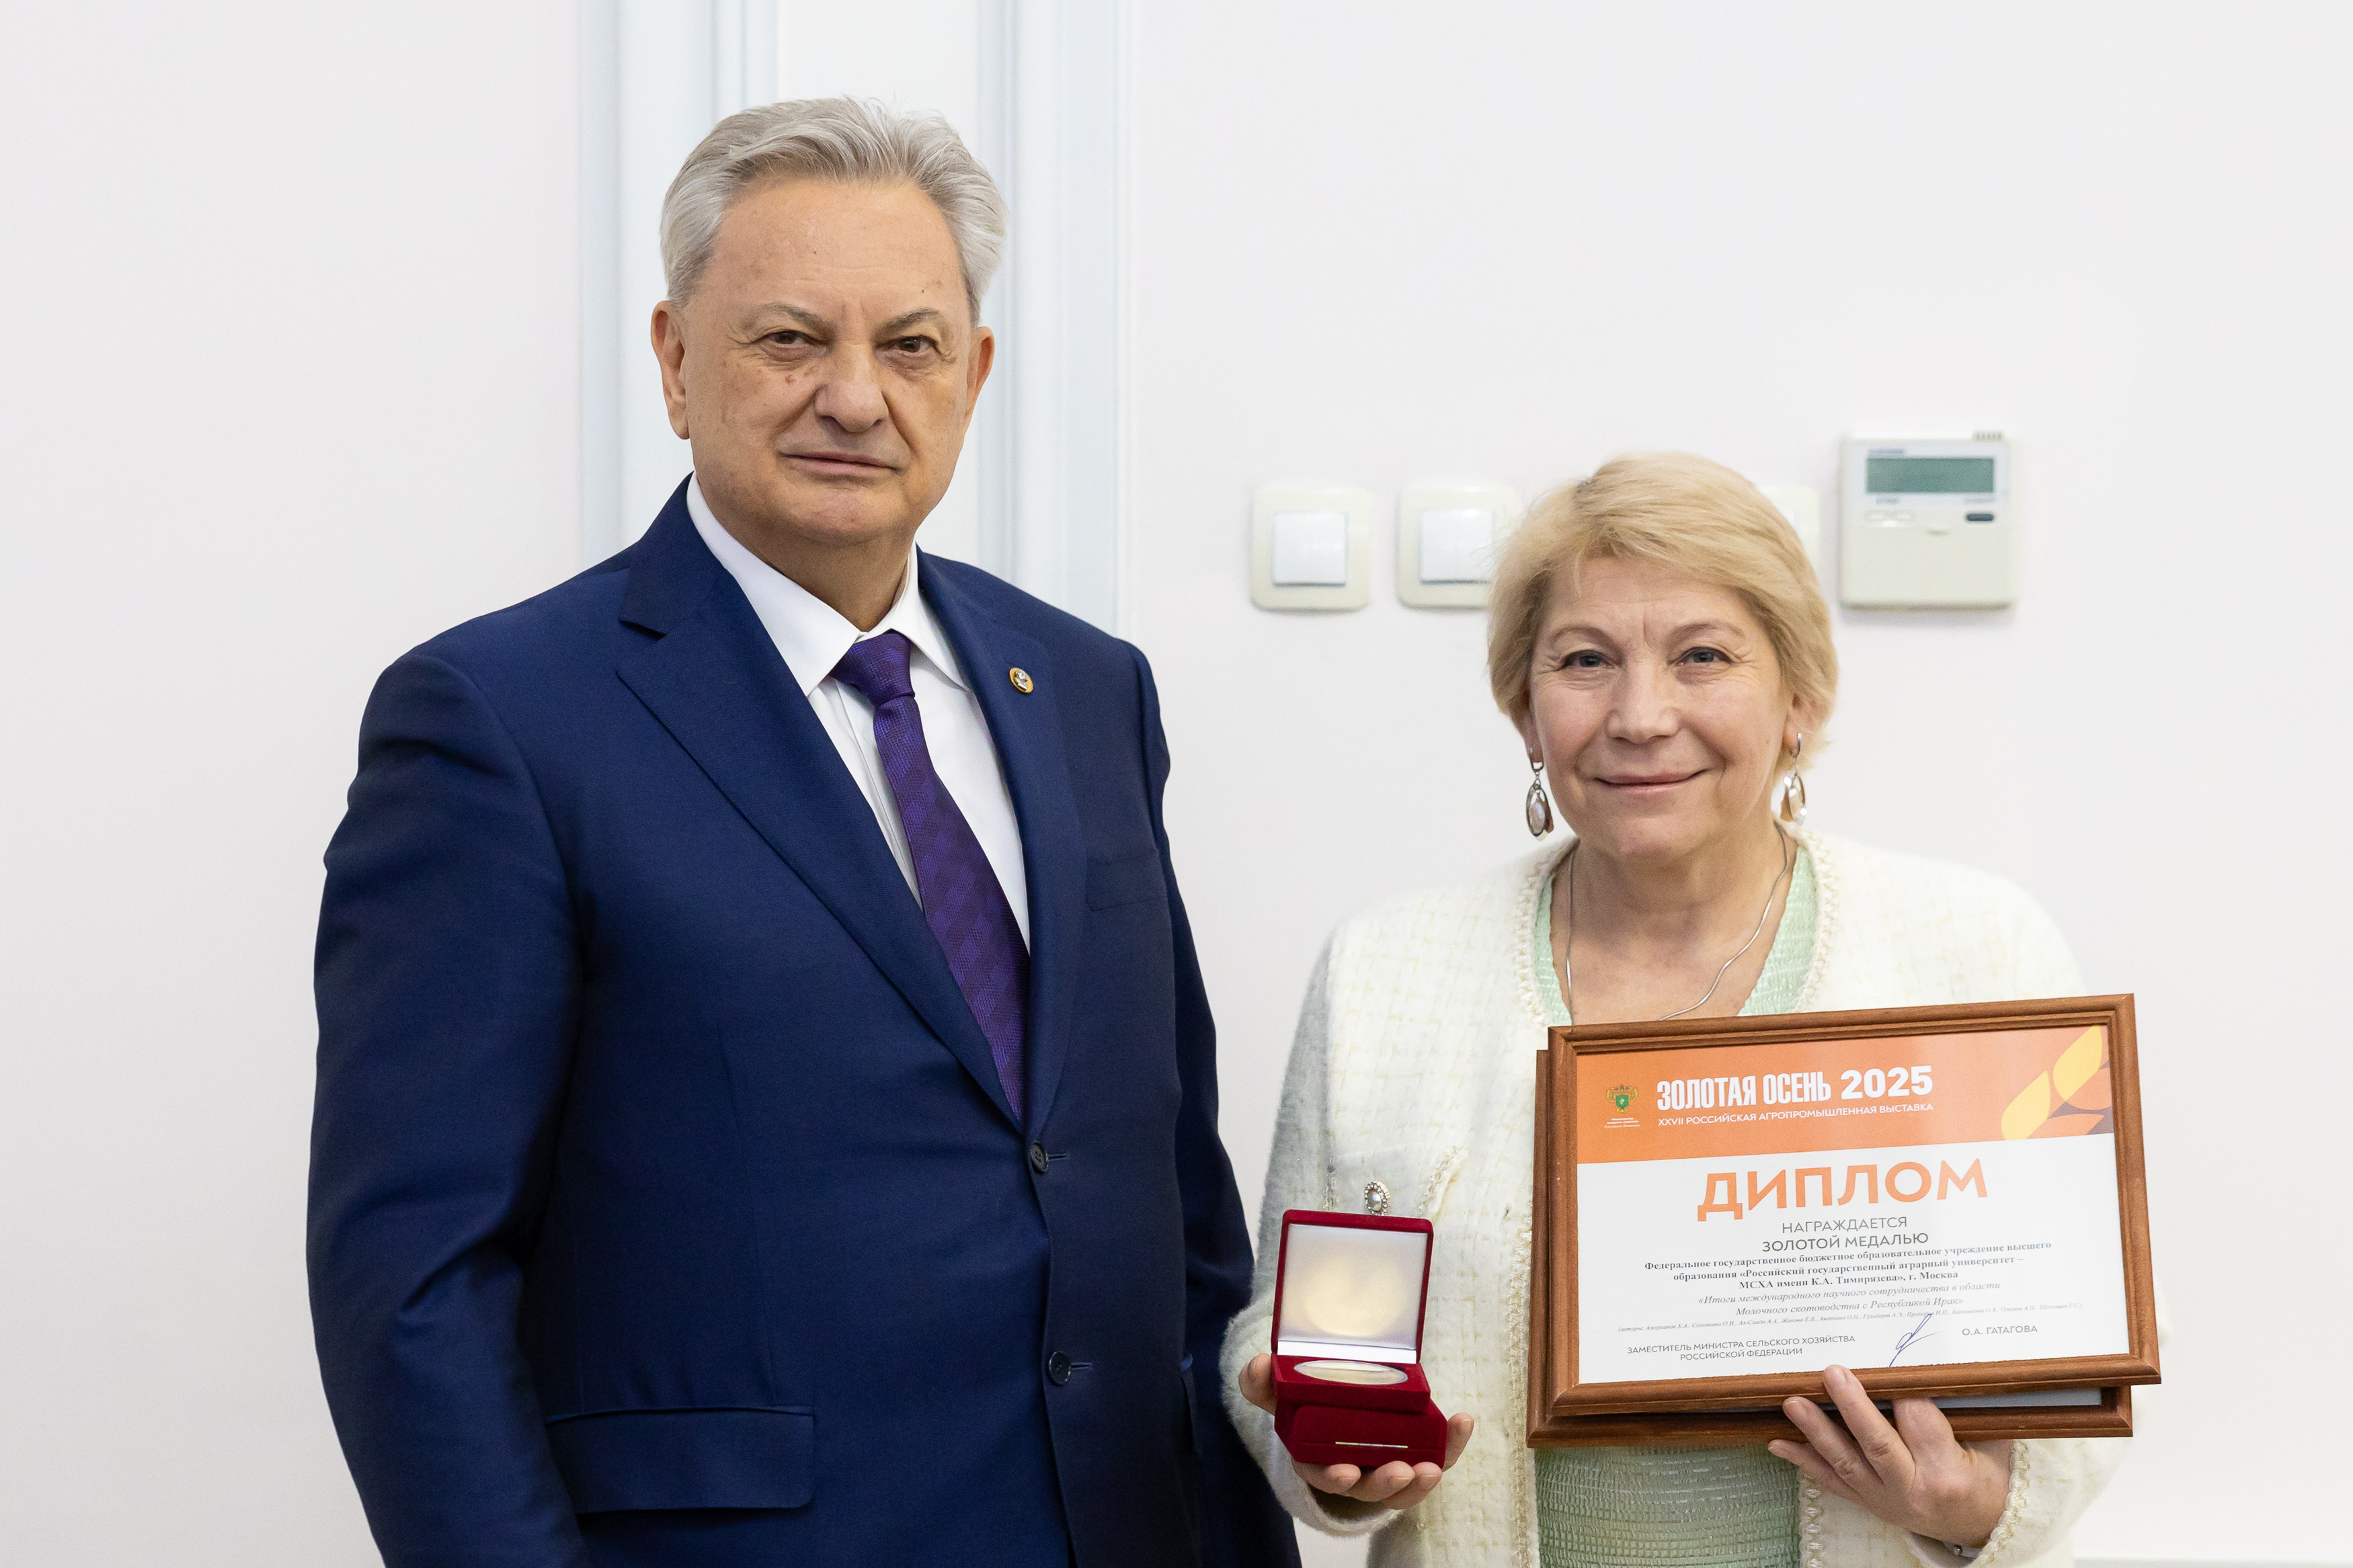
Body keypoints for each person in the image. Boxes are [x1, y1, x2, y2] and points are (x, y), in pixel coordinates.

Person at [309, 98, 1295, 1568]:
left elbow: (1169, 1188)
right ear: (674, 361)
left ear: (972, 375)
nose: (854, 395)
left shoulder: (1090, 689)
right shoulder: (500, 720)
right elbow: (413, 1284)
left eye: (909, 345)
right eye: (789, 339)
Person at [1220, 453, 2124, 1565]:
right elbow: (1282, 1325)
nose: (1641, 715)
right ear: (1525, 711)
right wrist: (1322, 1455)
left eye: (1703, 656)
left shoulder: (1977, 950)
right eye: (1585, 660)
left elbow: (2091, 1323)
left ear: (1800, 699)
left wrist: (1977, 1502)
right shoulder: (1383, 970)